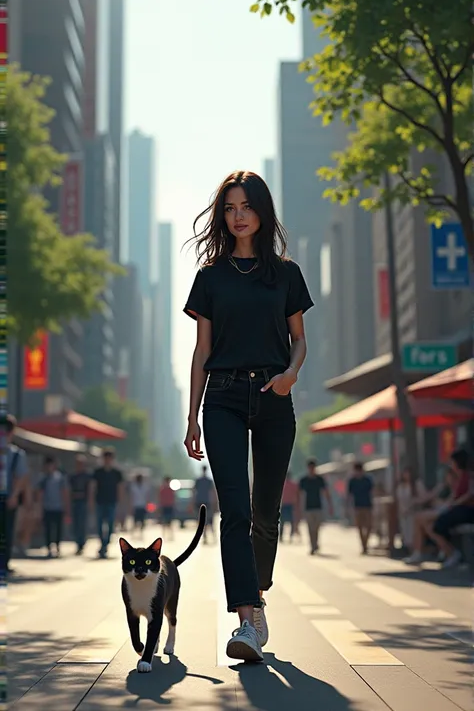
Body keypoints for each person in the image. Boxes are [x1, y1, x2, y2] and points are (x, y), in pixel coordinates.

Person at [183, 170, 313, 662]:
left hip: (276, 395)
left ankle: (255, 593)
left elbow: (299, 339)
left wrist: (290, 375)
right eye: (230, 208)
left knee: (265, 512)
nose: (238, 217)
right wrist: (192, 416)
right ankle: (246, 618)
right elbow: (201, 352)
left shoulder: (286, 273)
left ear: (262, 212)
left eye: (246, 207)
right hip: (224, 398)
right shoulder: (209, 278)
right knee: (233, 510)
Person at [431, 449, 474, 569]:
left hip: (467, 510)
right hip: (459, 509)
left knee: (438, 525)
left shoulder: (467, 476)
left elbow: (469, 494)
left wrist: (454, 504)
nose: (451, 464)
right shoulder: (458, 477)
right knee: (435, 524)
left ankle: (452, 553)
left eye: (452, 461)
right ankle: (446, 551)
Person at [404, 467, 456, 565]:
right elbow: (429, 497)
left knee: (418, 518)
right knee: (428, 526)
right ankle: (447, 552)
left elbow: (452, 502)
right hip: (441, 510)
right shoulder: (443, 486)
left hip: (446, 511)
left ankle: (419, 552)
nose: (447, 478)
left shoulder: (456, 486)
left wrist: (439, 503)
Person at [4, 414, 29, 574]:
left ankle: (4, 563)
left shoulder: (16, 454)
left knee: (7, 532)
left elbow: (21, 477)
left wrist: (14, 495)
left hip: (7, 498)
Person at [89, 448, 124, 559]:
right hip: (100, 501)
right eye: (106, 458)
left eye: (109, 458)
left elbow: (120, 489)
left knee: (110, 524)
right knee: (99, 525)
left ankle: (106, 544)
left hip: (111, 502)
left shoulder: (117, 473)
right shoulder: (97, 472)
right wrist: (91, 501)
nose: (107, 460)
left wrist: (121, 503)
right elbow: (93, 487)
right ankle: (102, 543)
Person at [37, 456, 70, 558]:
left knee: (58, 529)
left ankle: (57, 546)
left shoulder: (60, 478)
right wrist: (39, 506)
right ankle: (48, 547)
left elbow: (64, 492)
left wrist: (66, 506)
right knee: (48, 529)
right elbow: (40, 493)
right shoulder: (43, 478)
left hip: (58, 507)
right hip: (47, 507)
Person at [298, 459, 334, 554]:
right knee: (310, 527)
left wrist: (330, 505)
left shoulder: (319, 480)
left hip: (318, 506)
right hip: (308, 507)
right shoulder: (304, 480)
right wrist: (299, 508)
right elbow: (300, 494)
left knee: (317, 527)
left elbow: (326, 492)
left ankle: (316, 543)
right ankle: (313, 546)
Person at [395, 467, 426, 553]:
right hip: (404, 513)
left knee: (413, 533)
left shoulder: (417, 484)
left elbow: (423, 497)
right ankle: (410, 551)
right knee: (406, 534)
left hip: (414, 512)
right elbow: (399, 500)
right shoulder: (401, 485)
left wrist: (414, 502)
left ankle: (416, 551)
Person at [347, 462, 373, 554]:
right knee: (360, 526)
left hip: (367, 505)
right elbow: (349, 495)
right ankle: (364, 545)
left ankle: (366, 542)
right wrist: (348, 507)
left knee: (369, 526)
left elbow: (372, 491)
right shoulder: (352, 481)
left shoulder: (367, 480)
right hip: (357, 506)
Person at [193, 465, 216, 543]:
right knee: (209, 520)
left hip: (199, 502)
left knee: (201, 520)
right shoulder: (209, 481)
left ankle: (205, 536)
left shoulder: (198, 480)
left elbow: (194, 492)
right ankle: (211, 536)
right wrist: (214, 503)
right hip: (207, 502)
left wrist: (192, 502)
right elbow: (212, 493)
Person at [280, 472, 299, 542]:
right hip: (290, 504)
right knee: (291, 521)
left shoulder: (282, 484)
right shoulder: (294, 485)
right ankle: (290, 536)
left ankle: (281, 536)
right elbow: (297, 495)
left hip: (284, 504)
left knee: (282, 521)